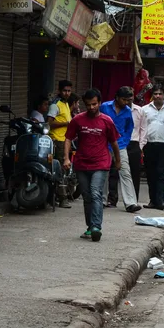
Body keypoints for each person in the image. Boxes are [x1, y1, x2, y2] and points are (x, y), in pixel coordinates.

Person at [63, 89, 120, 242]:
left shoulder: (107, 121)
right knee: (87, 196)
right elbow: (68, 139)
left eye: (94, 104)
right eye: (88, 105)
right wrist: (66, 158)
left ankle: (96, 227)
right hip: (81, 164)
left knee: (96, 193)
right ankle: (90, 227)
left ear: (100, 103)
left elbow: (114, 143)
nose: (91, 107)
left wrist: (118, 161)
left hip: (101, 163)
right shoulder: (77, 120)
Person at [101, 87, 139, 212]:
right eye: (124, 99)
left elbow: (129, 128)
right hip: (104, 144)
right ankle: (101, 200)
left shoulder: (128, 111)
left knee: (125, 172)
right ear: (117, 97)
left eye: (128, 100)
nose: (126, 102)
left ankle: (130, 203)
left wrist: (125, 142)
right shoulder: (104, 107)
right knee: (103, 172)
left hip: (120, 145)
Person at [141, 85, 164, 210]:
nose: (158, 96)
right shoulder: (145, 110)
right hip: (149, 144)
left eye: (160, 94)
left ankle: (161, 200)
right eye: (155, 94)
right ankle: (152, 201)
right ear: (152, 95)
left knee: (161, 172)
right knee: (150, 173)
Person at [48, 80, 74, 208]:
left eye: (69, 91)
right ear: (59, 91)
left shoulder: (66, 104)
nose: (67, 93)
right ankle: (62, 198)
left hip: (65, 140)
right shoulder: (55, 105)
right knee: (60, 169)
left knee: (65, 169)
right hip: (57, 140)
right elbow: (50, 123)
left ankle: (63, 196)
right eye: (65, 90)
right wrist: (66, 124)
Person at [128, 101, 146, 201]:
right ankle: (112, 198)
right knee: (115, 172)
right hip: (121, 142)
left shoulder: (139, 110)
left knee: (135, 173)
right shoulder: (118, 109)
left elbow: (143, 129)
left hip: (134, 143)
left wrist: (140, 146)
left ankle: (134, 198)